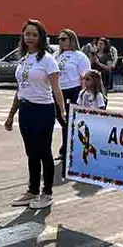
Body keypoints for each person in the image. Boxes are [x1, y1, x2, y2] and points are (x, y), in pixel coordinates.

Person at [4, 19, 66, 210]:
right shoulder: (23, 60)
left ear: (41, 37)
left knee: (43, 151)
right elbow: (20, 89)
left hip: (43, 109)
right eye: (27, 34)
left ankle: (47, 192)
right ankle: (32, 190)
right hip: (26, 110)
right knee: (31, 152)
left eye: (34, 34)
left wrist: (62, 110)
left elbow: (56, 89)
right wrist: (11, 114)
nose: (30, 38)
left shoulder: (48, 60)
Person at [54, 29, 91, 158]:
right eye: (59, 39)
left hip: (74, 90)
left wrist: (84, 94)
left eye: (63, 39)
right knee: (62, 120)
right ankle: (67, 146)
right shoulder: (56, 56)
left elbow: (86, 76)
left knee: (72, 121)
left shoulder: (79, 56)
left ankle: (68, 149)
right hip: (59, 91)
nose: (60, 41)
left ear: (71, 40)